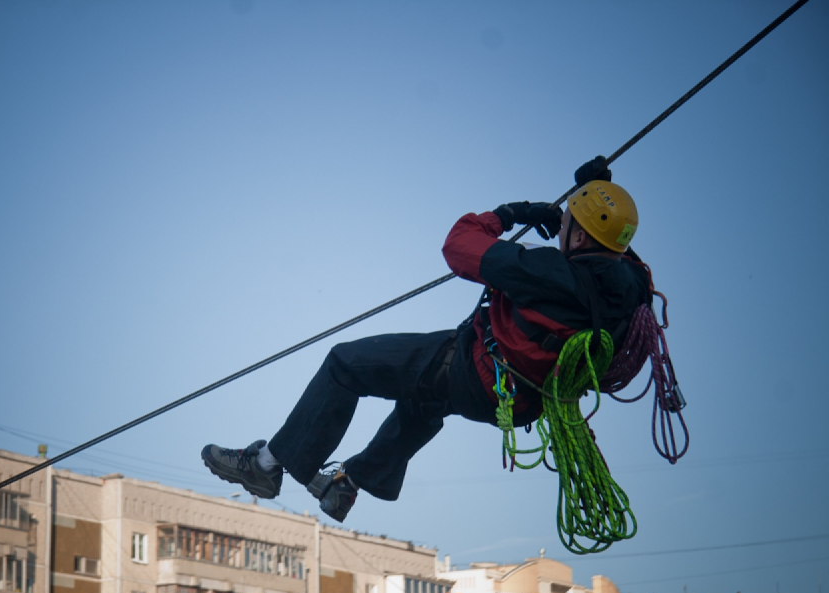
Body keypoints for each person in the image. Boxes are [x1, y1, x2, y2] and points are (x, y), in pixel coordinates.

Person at [201, 157, 651, 522]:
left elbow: (459, 245)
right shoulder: (633, 285)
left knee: (346, 364)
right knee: (423, 402)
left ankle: (266, 466)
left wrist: (513, 213)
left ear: (579, 233)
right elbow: (615, 256)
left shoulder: (548, 271)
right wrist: (595, 194)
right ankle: (349, 485)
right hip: (516, 401)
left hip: (473, 370)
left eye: (571, 222)